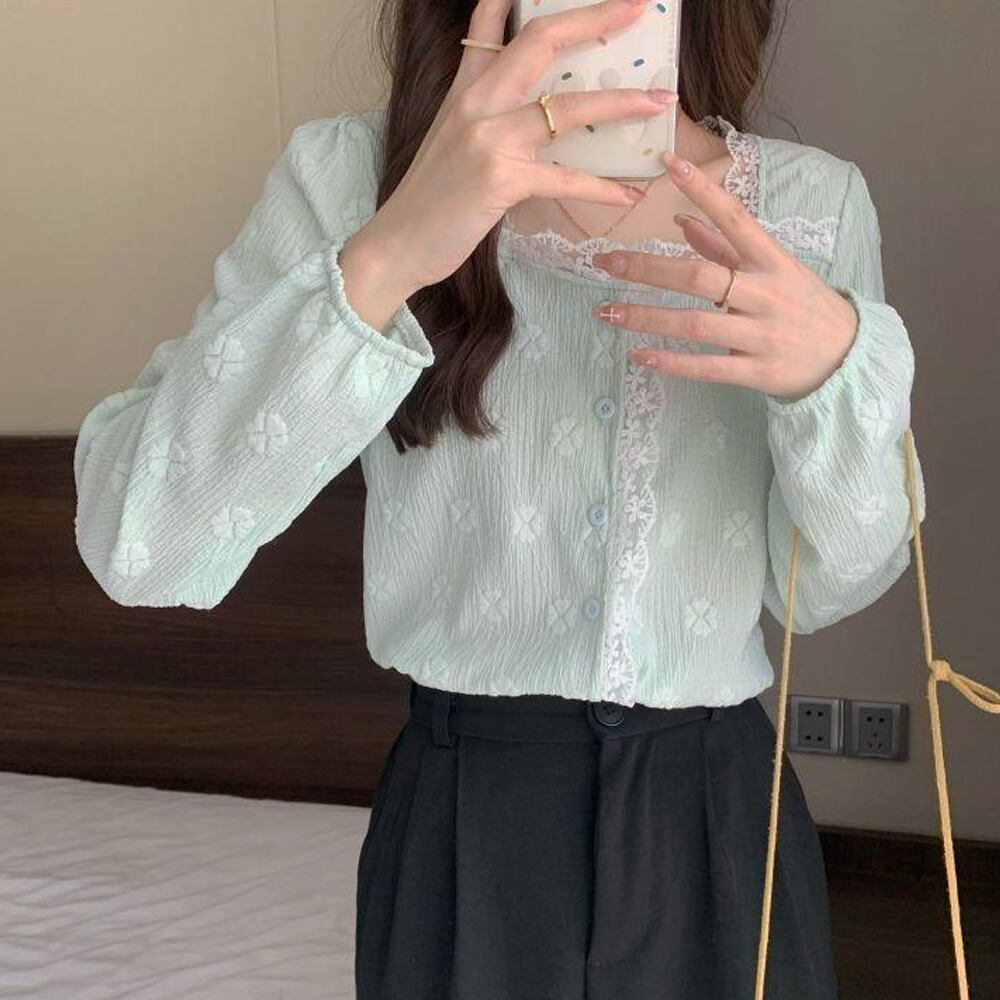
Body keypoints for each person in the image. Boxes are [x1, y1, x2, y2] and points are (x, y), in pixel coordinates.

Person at [73, 0, 927, 996]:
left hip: (718, 822)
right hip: (462, 824)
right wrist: (394, 247)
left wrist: (834, 378)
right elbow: (140, 544)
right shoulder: (350, 177)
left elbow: (829, 589)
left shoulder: (812, 204)